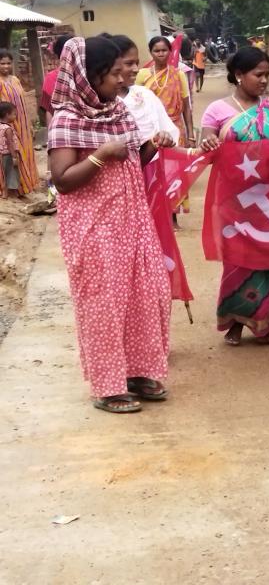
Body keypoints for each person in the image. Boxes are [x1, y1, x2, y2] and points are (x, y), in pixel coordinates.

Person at [48, 36, 174, 413]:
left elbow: (135, 160)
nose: (122, 79)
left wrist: (153, 143)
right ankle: (107, 387)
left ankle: (137, 372)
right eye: (113, 72)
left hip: (132, 222)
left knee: (145, 295)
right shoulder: (67, 119)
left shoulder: (119, 112)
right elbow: (63, 181)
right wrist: (101, 155)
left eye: (123, 71)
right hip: (94, 228)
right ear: (88, 76)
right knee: (103, 304)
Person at [199, 47, 269, 348]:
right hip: (235, 202)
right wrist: (210, 141)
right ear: (239, 75)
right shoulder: (217, 110)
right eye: (258, 74)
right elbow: (204, 143)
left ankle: (267, 325)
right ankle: (236, 323)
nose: (264, 80)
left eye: (267, 74)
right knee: (239, 263)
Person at [107, 35, 179, 146]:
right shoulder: (101, 106)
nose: (136, 69)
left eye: (137, 63)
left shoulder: (145, 95)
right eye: (129, 63)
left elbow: (168, 132)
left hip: (155, 161)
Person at [136, 36, 195, 146]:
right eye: (156, 51)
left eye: (164, 50)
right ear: (150, 52)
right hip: (152, 130)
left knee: (176, 161)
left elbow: (186, 107)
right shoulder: (142, 74)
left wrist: (191, 136)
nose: (161, 54)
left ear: (170, 51)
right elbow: (136, 104)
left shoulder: (179, 74)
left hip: (175, 128)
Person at [0, 49, 39, 194]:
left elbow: (22, 103)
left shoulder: (15, 80)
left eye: (8, 63)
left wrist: (28, 124)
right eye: (2, 63)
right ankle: (15, 188)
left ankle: (28, 184)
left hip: (22, 123)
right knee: (13, 154)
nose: (5, 66)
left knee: (27, 152)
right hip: (7, 125)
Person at [39, 34, 74, 123]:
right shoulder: (87, 75)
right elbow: (49, 109)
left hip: (59, 128)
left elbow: (49, 110)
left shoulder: (50, 77)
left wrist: (51, 133)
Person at [0, 102, 23, 199]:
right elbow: (10, 144)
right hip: (9, 155)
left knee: (5, 173)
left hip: (2, 154)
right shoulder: (8, 129)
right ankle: (11, 193)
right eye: (14, 114)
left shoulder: (1, 126)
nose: (15, 116)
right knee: (12, 173)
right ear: (7, 115)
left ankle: (6, 193)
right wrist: (14, 157)